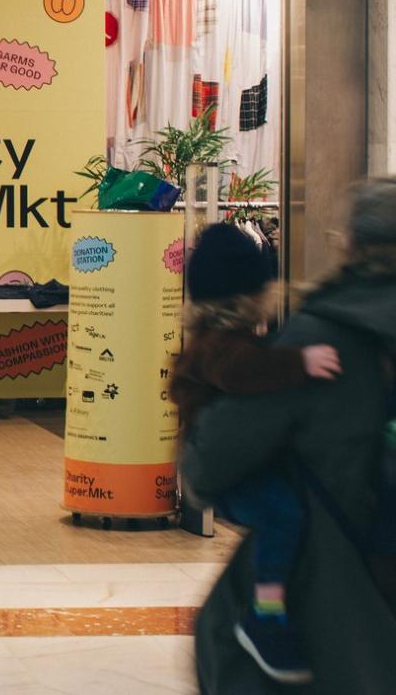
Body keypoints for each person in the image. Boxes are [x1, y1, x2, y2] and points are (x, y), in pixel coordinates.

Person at [183, 179, 396, 693]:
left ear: (349, 243)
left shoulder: (326, 336)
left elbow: (212, 461)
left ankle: (267, 617)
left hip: (337, 586)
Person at [172, 222, 342, 684]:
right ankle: (265, 614)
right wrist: (300, 363)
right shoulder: (221, 348)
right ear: (247, 296)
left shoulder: (219, 340)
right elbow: (244, 373)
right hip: (229, 476)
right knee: (282, 513)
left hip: (223, 468)